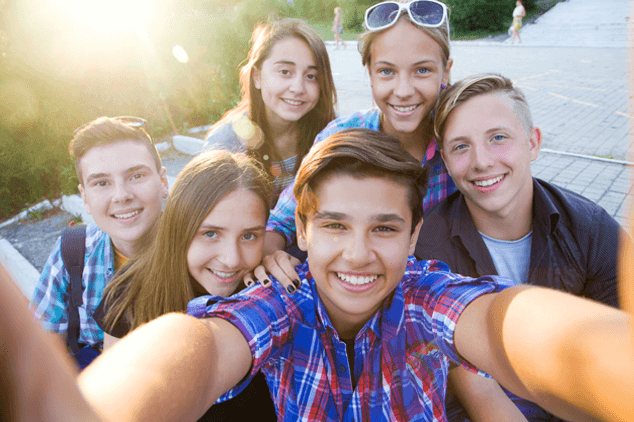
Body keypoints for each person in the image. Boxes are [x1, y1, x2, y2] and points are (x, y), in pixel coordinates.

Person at [1, 128, 634, 422]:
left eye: (384, 228)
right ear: (301, 231)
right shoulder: (276, 303)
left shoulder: (425, 294)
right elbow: (197, 346)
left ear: (414, 236)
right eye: (334, 226)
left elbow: (501, 323)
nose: (358, 254)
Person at [415, 73, 624, 421]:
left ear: (533, 143)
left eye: (498, 138)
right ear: (447, 163)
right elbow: (471, 389)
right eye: (461, 146)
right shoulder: (427, 247)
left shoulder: (592, 229)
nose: (482, 161)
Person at [256, 0, 456, 287]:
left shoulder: (461, 140)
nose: (403, 91)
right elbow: (283, 221)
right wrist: (270, 253)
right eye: (387, 71)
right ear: (369, 71)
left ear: (445, 71)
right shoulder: (341, 135)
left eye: (422, 70)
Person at [93, 150, 276, 421]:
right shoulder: (131, 292)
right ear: (179, 227)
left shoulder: (268, 290)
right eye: (210, 233)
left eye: (249, 236)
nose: (231, 259)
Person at [29, 116, 169, 362]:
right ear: (85, 198)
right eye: (102, 182)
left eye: (136, 176)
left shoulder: (205, 252)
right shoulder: (73, 252)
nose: (121, 195)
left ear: (163, 181)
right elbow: (39, 358)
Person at [203, 18, 337, 207]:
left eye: (311, 76)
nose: (298, 88)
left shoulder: (331, 135)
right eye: (285, 72)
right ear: (257, 77)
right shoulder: (226, 144)